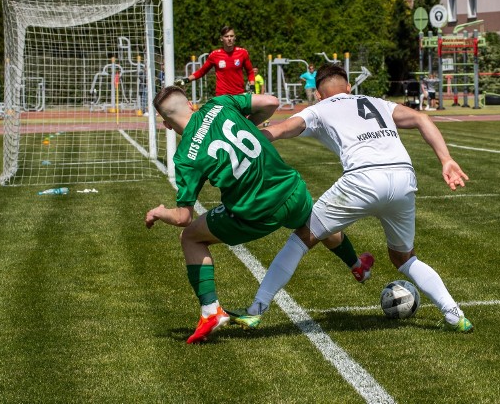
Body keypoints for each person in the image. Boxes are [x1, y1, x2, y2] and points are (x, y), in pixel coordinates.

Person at [229, 64, 474, 333]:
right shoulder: (376, 102)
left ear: (319, 94)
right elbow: (422, 118)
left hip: (363, 180)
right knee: (404, 257)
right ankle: (454, 314)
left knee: (302, 237)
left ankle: (256, 310)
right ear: (349, 88)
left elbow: (280, 130)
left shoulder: (319, 108)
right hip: (403, 177)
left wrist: (241, 141)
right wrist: (446, 159)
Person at [144, 85, 370, 344]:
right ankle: (357, 265)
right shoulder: (219, 105)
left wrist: (160, 212)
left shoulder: (185, 156)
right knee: (316, 225)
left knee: (190, 237)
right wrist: (251, 124)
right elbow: (271, 101)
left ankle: (210, 311)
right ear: (192, 104)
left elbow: (183, 216)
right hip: (291, 191)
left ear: (167, 125)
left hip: (254, 214)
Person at [176, 26, 255, 96]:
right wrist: (186, 80)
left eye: (231, 36)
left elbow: (250, 72)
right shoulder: (214, 55)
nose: (229, 39)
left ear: (235, 37)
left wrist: (252, 86)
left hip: (239, 94)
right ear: (221, 38)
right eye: (226, 36)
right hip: (222, 95)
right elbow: (201, 71)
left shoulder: (243, 53)